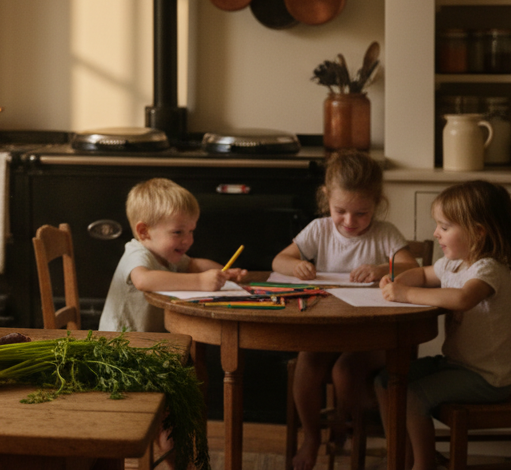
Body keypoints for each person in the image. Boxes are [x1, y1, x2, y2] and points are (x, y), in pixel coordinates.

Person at [273, 149, 417, 470]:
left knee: (344, 372)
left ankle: (354, 427)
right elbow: (278, 261)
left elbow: (411, 266)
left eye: (361, 213)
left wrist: (382, 270)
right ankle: (312, 437)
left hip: (372, 333)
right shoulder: (320, 230)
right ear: (326, 198)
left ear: (377, 203)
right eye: (341, 211)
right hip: (327, 326)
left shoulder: (385, 234)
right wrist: (296, 266)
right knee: (306, 367)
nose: (349, 222)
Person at [377, 180, 511, 470]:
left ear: (477, 232)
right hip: (457, 364)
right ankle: (400, 455)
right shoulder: (453, 263)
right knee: (385, 380)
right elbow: (421, 273)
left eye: (444, 227)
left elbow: (464, 298)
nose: (436, 233)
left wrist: (406, 295)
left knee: (412, 396)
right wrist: (399, 281)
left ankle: (423, 464)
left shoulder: (488, 268)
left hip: (489, 377)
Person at [99, 178, 249, 335]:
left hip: (150, 343)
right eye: (178, 232)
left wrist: (225, 273)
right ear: (144, 231)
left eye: (191, 231)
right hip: (119, 345)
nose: (188, 240)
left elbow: (193, 264)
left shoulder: (165, 253)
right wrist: (200, 281)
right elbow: (143, 280)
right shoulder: (136, 252)